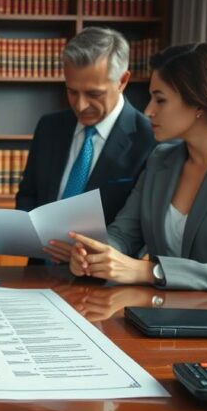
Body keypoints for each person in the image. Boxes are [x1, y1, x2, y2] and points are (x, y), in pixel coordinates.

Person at [69, 43, 207, 325]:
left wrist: (150, 271)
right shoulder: (162, 159)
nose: (148, 110)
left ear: (199, 102)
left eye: (160, 99)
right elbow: (124, 233)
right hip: (171, 319)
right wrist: (96, 254)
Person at [16, 27, 156, 264]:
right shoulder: (49, 127)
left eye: (94, 94)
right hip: (39, 270)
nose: (80, 105)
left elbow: (141, 228)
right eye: (72, 92)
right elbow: (29, 194)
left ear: (123, 81)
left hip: (105, 284)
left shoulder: (150, 140)